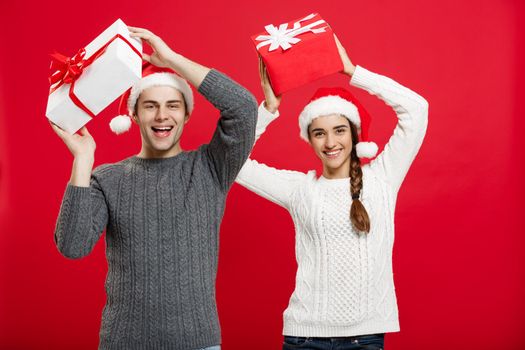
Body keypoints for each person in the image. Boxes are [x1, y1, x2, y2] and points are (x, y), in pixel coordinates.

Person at [51, 26, 257, 350]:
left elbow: (243, 109)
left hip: (197, 343)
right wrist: (82, 158)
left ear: (187, 114)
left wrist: (171, 60)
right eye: (150, 106)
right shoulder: (108, 178)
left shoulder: (211, 167)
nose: (163, 116)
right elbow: (73, 245)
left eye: (173, 105)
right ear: (133, 114)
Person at [236, 36, 429, 350]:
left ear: (353, 134)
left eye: (339, 130)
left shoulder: (382, 177)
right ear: (309, 140)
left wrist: (351, 71)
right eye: (319, 133)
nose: (330, 142)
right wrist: (268, 109)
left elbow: (417, 109)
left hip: (365, 338)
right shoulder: (300, 189)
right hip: (305, 338)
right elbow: (233, 164)